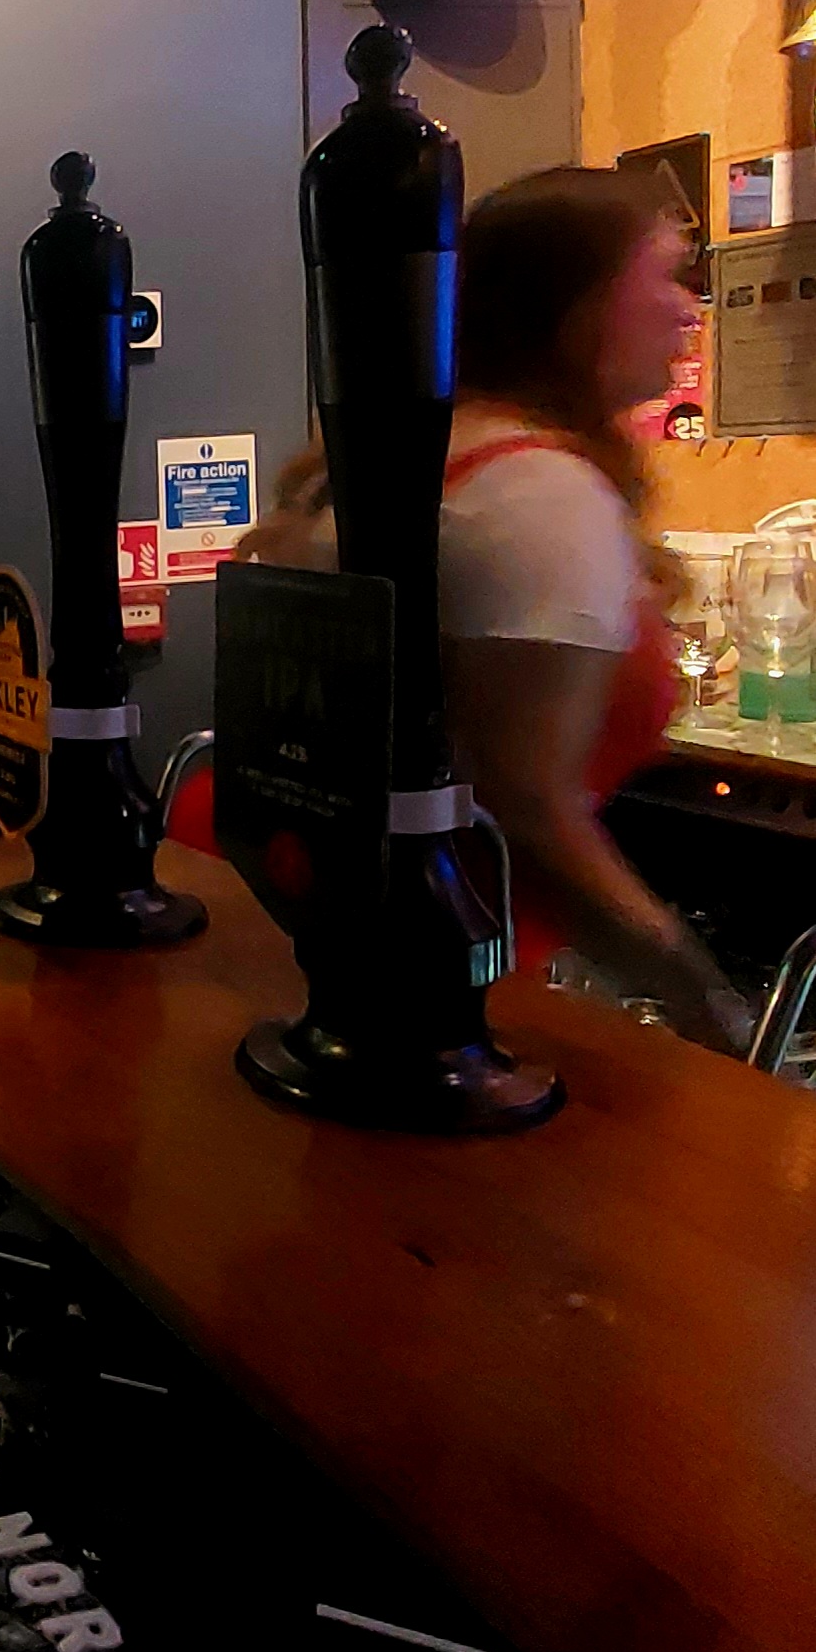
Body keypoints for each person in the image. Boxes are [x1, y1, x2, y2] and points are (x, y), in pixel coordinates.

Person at [226, 165, 752, 1052]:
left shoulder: (422, 448)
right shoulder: (538, 492)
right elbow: (526, 809)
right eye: (666, 276)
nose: (690, 309)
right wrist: (709, 1007)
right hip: (422, 982)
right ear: (577, 307)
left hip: (292, 918)